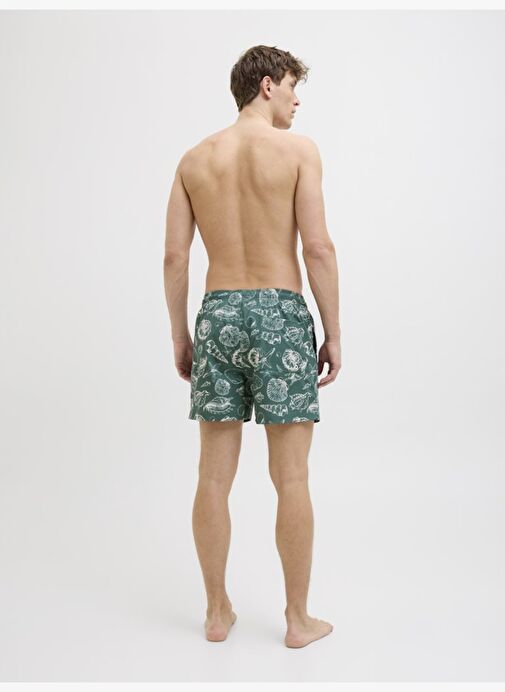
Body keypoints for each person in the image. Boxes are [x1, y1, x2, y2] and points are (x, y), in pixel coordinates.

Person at [163, 45, 341, 648]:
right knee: (291, 477)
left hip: (218, 315)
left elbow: (175, 257)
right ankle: (297, 619)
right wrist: (332, 330)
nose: (297, 100)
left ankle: (217, 612)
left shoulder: (194, 160)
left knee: (213, 477)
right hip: (280, 316)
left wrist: (182, 334)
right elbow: (318, 248)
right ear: (267, 85)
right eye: (292, 86)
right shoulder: (298, 151)